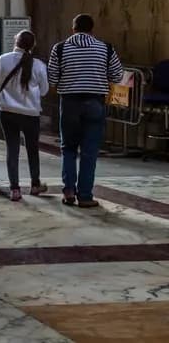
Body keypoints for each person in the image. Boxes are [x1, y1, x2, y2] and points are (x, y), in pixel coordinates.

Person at [48, 14, 123, 208]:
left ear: (73, 29)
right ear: (92, 29)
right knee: (89, 152)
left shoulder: (60, 48)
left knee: (68, 148)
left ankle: (69, 191)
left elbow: (52, 77)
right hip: (95, 103)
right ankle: (85, 196)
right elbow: (117, 75)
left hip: (70, 102)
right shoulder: (106, 48)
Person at [0, 31, 49, 201]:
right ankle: (35, 185)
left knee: (12, 149)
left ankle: (15, 189)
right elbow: (44, 90)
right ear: (32, 45)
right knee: (32, 149)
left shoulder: (2, 60)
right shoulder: (38, 65)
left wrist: (4, 90)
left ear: (16, 41)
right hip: (30, 113)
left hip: (7, 111)